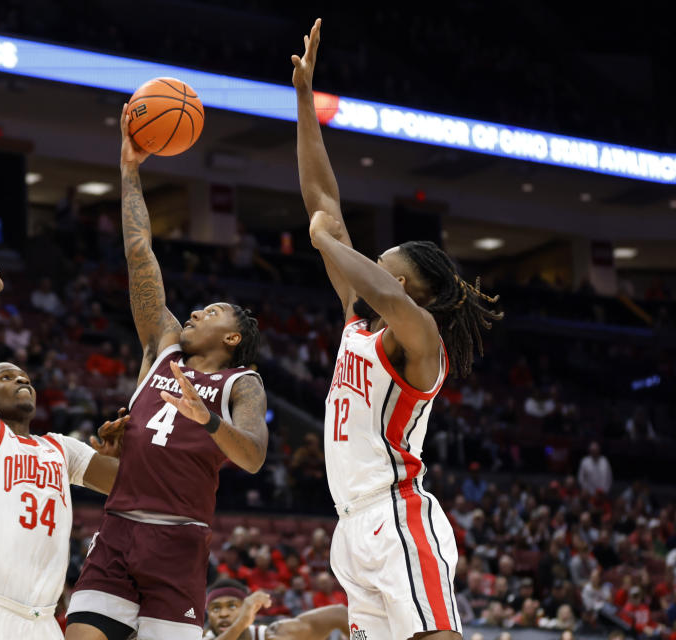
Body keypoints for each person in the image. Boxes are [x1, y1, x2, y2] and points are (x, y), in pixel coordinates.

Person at [293, 19, 502, 640]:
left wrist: (325, 240)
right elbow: (321, 197)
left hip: (398, 514)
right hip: (351, 525)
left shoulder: (419, 342)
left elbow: (368, 275)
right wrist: (305, 101)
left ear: (407, 286)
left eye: (385, 263)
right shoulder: (361, 322)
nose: (372, 267)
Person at [65, 107, 268, 640]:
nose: (198, 311)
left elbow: (252, 456)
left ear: (233, 338)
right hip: (118, 530)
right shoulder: (163, 347)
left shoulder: (240, 384)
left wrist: (209, 423)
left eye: (214, 311)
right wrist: (130, 170)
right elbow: (140, 255)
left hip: (180, 543)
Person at [0, 238, 128, 640]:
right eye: (6, 376)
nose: (21, 378)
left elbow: (128, 484)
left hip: (45, 621)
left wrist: (123, 451)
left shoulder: (61, 447)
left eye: (25, 376)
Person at [203, 579, 348, 639]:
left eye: (232, 606)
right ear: (208, 614)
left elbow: (340, 613)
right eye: (215, 609)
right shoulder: (196, 636)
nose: (223, 614)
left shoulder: (273, 634)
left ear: (246, 608)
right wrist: (241, 622)